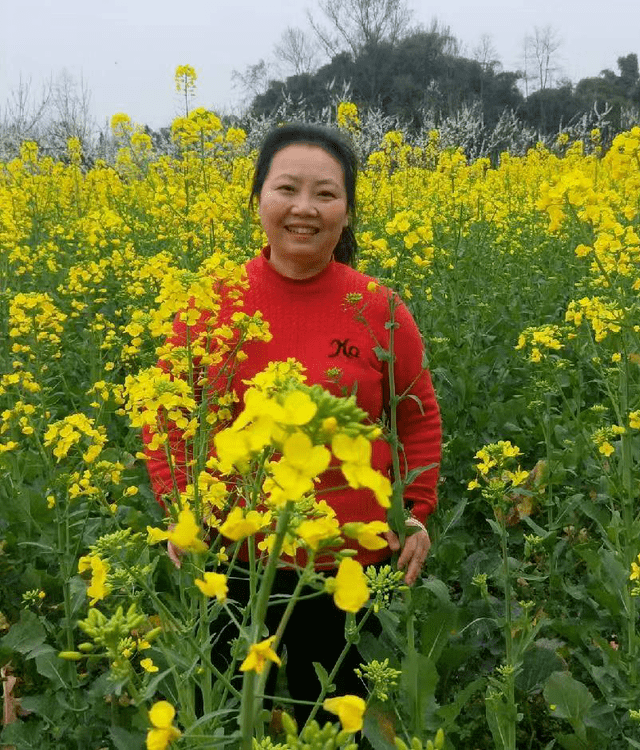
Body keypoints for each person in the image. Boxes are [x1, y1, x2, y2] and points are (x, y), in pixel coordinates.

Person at [144, 122, 442, 725]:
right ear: (259, 200)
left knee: (330, 724)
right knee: (230, 722)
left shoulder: (381, 309)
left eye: (326, 194)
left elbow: (416, 419)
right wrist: (182, 507)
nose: (304, 208)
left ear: (347, 211)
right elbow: (170, 420)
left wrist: (412, 510)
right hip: (233, 563)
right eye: (287, 189)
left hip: (343, 566)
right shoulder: (211, 303)